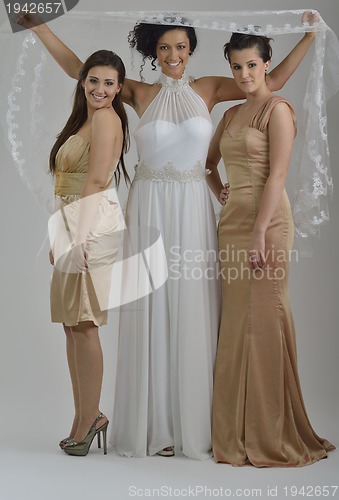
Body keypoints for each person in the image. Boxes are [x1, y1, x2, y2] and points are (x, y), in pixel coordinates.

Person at [18, 12, 318, 459]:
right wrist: (39, 28)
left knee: (193, 302)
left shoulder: (211, 88)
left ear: (191, 49)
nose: (173, 55)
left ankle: (194, 424)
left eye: (180, 47)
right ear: (152, 53)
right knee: (151, 307)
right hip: (150, 206)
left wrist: (310, 35)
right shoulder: (139, 93)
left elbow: (270, 79)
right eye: (164, 48)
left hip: (193, 208)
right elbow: (79, 68)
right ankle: (153, 424)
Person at [206, 32, 335, 467]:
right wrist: (221, 189)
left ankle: (271, 430)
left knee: (265, 319)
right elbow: (207, 165)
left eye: (252, 66)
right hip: (232, 224)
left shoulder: (277, 111)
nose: (244, 75)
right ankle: (233, 432)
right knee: (236, 322)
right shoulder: (228, 114)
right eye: (237, 67)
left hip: (269, 223)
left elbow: (277, 177)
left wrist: (260, 231)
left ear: (266, 66)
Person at [48, 49, 129, 456]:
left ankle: (91, 417)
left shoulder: (106, 119)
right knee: (70, 323)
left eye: (109, 83)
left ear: (119, 88)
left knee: (85, 323)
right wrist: (57, 236)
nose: (101, 89)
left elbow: (97, 181)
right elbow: (66, 184)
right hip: (71, 222)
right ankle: (84, 417)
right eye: (94, 80)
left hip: (92, 226)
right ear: (83, 81)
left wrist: (77, 240)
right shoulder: (84, 117)